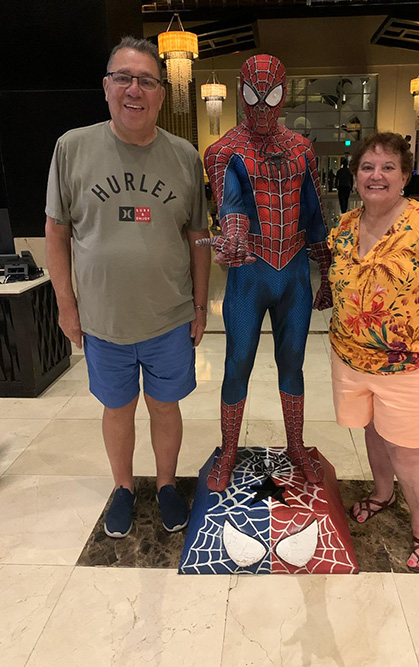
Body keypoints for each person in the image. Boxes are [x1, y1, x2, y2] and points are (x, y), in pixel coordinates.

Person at [45, 36, 210, 538]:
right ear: (106, 87)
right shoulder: (72, 147)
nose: (134, 89)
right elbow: (57, 230)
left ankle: (163, 485)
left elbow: (199, 237)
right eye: (123, 77)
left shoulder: (184, 156)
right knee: (117, 408)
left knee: (165, 405)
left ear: (161, 93)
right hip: (104, 319)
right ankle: (122, 487)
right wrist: (66, 307)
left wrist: (201, 305)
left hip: (169, 315)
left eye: (146, 80)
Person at [327, 132, 419, 572]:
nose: (377, 175)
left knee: (407, 448)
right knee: (372, 430)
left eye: (388, 167)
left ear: (404, 176)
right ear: (355, 176)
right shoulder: (346, 226)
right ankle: (381, 493)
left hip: (411, 365)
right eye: (368, 167)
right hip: (350, 359)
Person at [201, 54, 333, 492]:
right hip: (250, 274)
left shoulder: (301, 148)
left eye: (270, 95)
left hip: (293, 272)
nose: (261, 106)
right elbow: (231, 203)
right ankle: (228, 452)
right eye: (253, 96)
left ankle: (296, 447)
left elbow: (313, 211)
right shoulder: (223, 151)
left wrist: (327, 269)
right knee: (236, 363)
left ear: (283, 94)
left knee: (292, 364)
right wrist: (233, 235)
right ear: (240, 93)